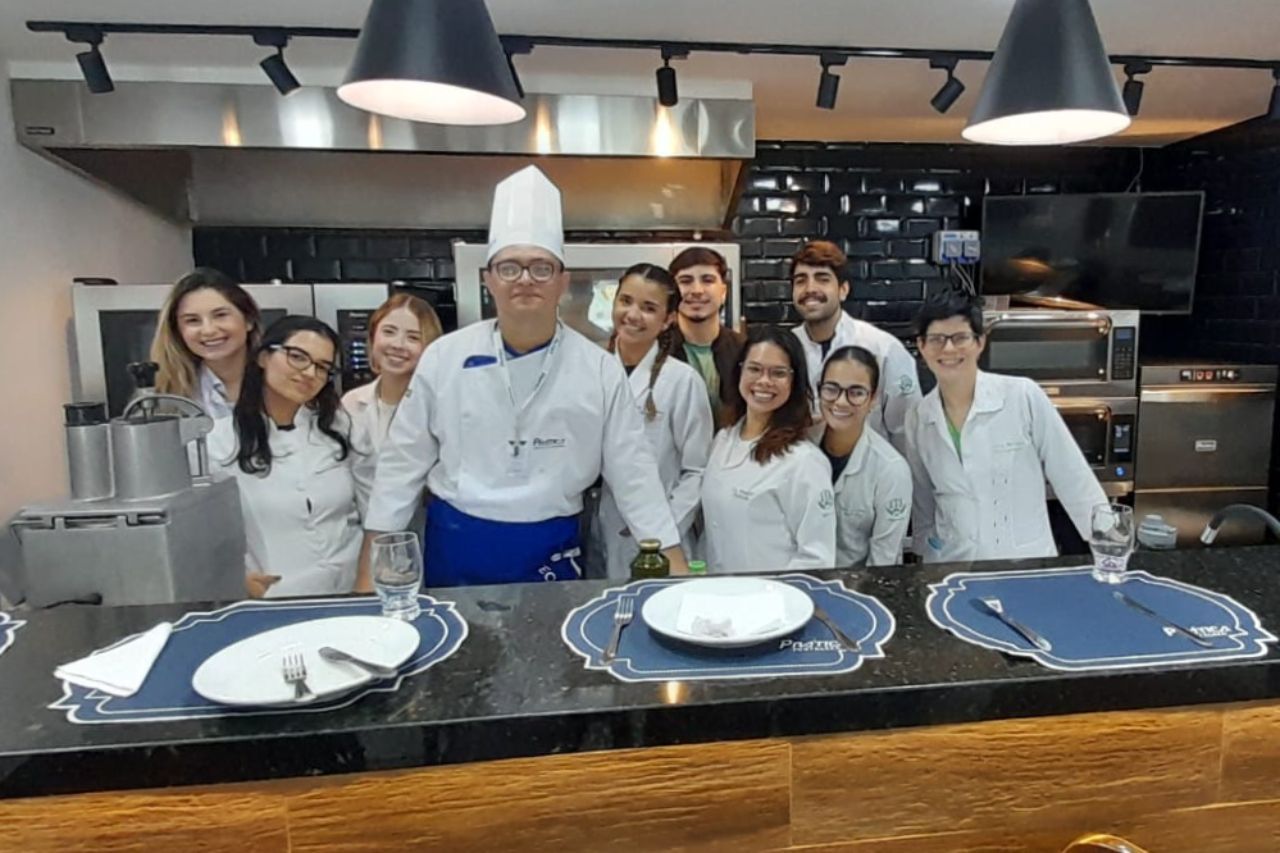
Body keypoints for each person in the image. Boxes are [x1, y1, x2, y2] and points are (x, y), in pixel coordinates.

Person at [359, 165, 687, 588]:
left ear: (562, 282)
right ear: (488, 280)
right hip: (457, 542)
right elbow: (401, 467)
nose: (525, 280)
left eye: (541, 268)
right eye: (510, 268)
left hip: (552, 542)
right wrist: (368, 579)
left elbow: (635, 474)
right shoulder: (445, 356)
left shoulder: (599, 369)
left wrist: (676, 570)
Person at [903, 292, 1108, 563]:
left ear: (980, 342)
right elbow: (923, 499)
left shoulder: (1022, 396)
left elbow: (1072, 477)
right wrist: (929, 550)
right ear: (922, 346)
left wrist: (1109, 545)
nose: (949, 349)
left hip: (1023, 563)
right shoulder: (919, 416)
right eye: (937, 339)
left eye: (960, 338)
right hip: (953, 565)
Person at [208, 316, 372, 598]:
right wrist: (236, 580)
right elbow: (202, 535)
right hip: (276, 597)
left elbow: (375, 515)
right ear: (263, 357)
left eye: (322, 367)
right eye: (297, 357)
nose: (309, 373)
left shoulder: (341, 429)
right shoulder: (218, 442)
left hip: (350, 591)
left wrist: (365, 587)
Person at [593, 263, 713, 579]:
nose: (633, 315)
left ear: (667, 320)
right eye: (626, 301)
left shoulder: (682, 381)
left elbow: (697, 470)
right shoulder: (590, 370)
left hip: (663, 539)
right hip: (599, 530)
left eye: (649, 308)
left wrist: (661, 529)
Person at [700, 326, 836, 572]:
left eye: (778, 373)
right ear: (739, 371)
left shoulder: (803, 461)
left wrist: (777, 602)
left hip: (774, 601)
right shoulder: (723, 439)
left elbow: (817, 558)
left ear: (794, 382)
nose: (764, 381)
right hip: (718, 594)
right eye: (754, 369)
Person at [789, 241, 921, 452]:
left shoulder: (882, 348)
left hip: (870, 475)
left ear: (843, 290)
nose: (810, 289)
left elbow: (907, 431)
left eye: (822, 279)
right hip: (803, 475)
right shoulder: (786, 349)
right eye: (800, 281)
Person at [817, 346, 913, 567]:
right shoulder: (800, 446)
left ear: (873, 399)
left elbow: (884, 561)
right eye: (831, 389)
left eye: (856, 392)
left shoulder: (891, 470)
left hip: (857, 589)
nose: (841, 402)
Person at [151, 268, 262, 418]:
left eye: (220, 315)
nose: (208, 330)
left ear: (249, 320)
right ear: (177, 331)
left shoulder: (287, 383)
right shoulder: (163, 400)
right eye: (193, 320)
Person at [342, 293, 444, 451]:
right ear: (372, 337)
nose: (398, 344)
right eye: (389, 332)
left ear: (430, 347)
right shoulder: (351, 403)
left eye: (413, 338)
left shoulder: (442, 407)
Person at [668, 247, 745, 420]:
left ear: (723, 292)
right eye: (686, 281)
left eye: (707, 280)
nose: (697, 290)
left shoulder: (744, 349)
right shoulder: (655, 349)